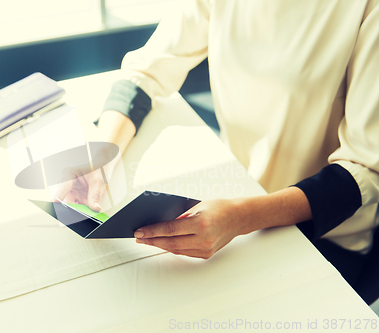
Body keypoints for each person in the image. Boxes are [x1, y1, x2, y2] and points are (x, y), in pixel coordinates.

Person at [56, 0, 379, 302]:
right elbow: (146, 72)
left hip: (321, 232)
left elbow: (364, 169)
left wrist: (242, 216)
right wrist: (99, 156)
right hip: (234, 198)